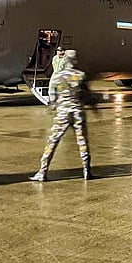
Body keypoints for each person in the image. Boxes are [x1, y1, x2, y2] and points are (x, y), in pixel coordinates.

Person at [30, 49, 92, 181]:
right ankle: (87, 170)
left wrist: (54, 106)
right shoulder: (81, 75)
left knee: (53, 141)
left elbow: (52, 96)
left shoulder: (58, 76)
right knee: (82, 141)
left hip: (63, 113)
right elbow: (87, 95)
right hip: (77, 112)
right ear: (75, 60)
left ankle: (43, 171)